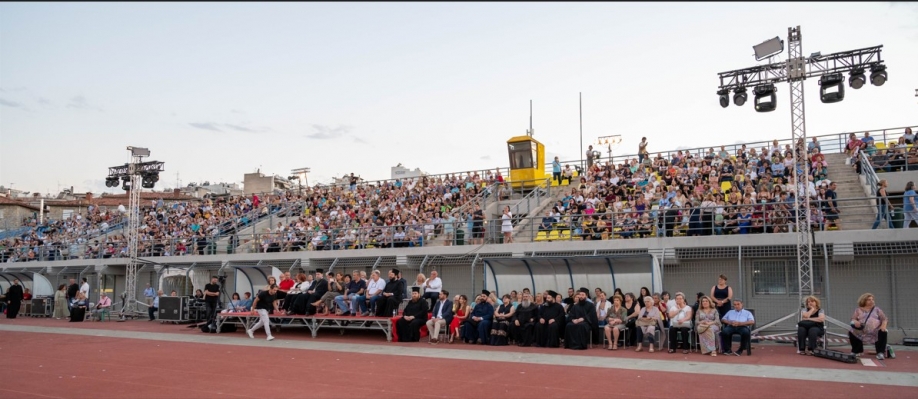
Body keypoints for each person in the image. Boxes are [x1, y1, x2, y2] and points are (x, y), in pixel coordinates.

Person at [849, 293, 889, 360]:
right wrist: (855, 322)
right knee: (852, 331)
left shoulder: (877, 309)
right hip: (862, 330)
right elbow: (853, 319)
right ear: (864, 301)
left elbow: (884, 319)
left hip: (875, 330)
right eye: (869, 300)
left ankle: (880, 353)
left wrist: (883, 326)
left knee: (883, 332)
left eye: (872, 299)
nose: (872, 301)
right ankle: (856, 351)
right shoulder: (858, 310)